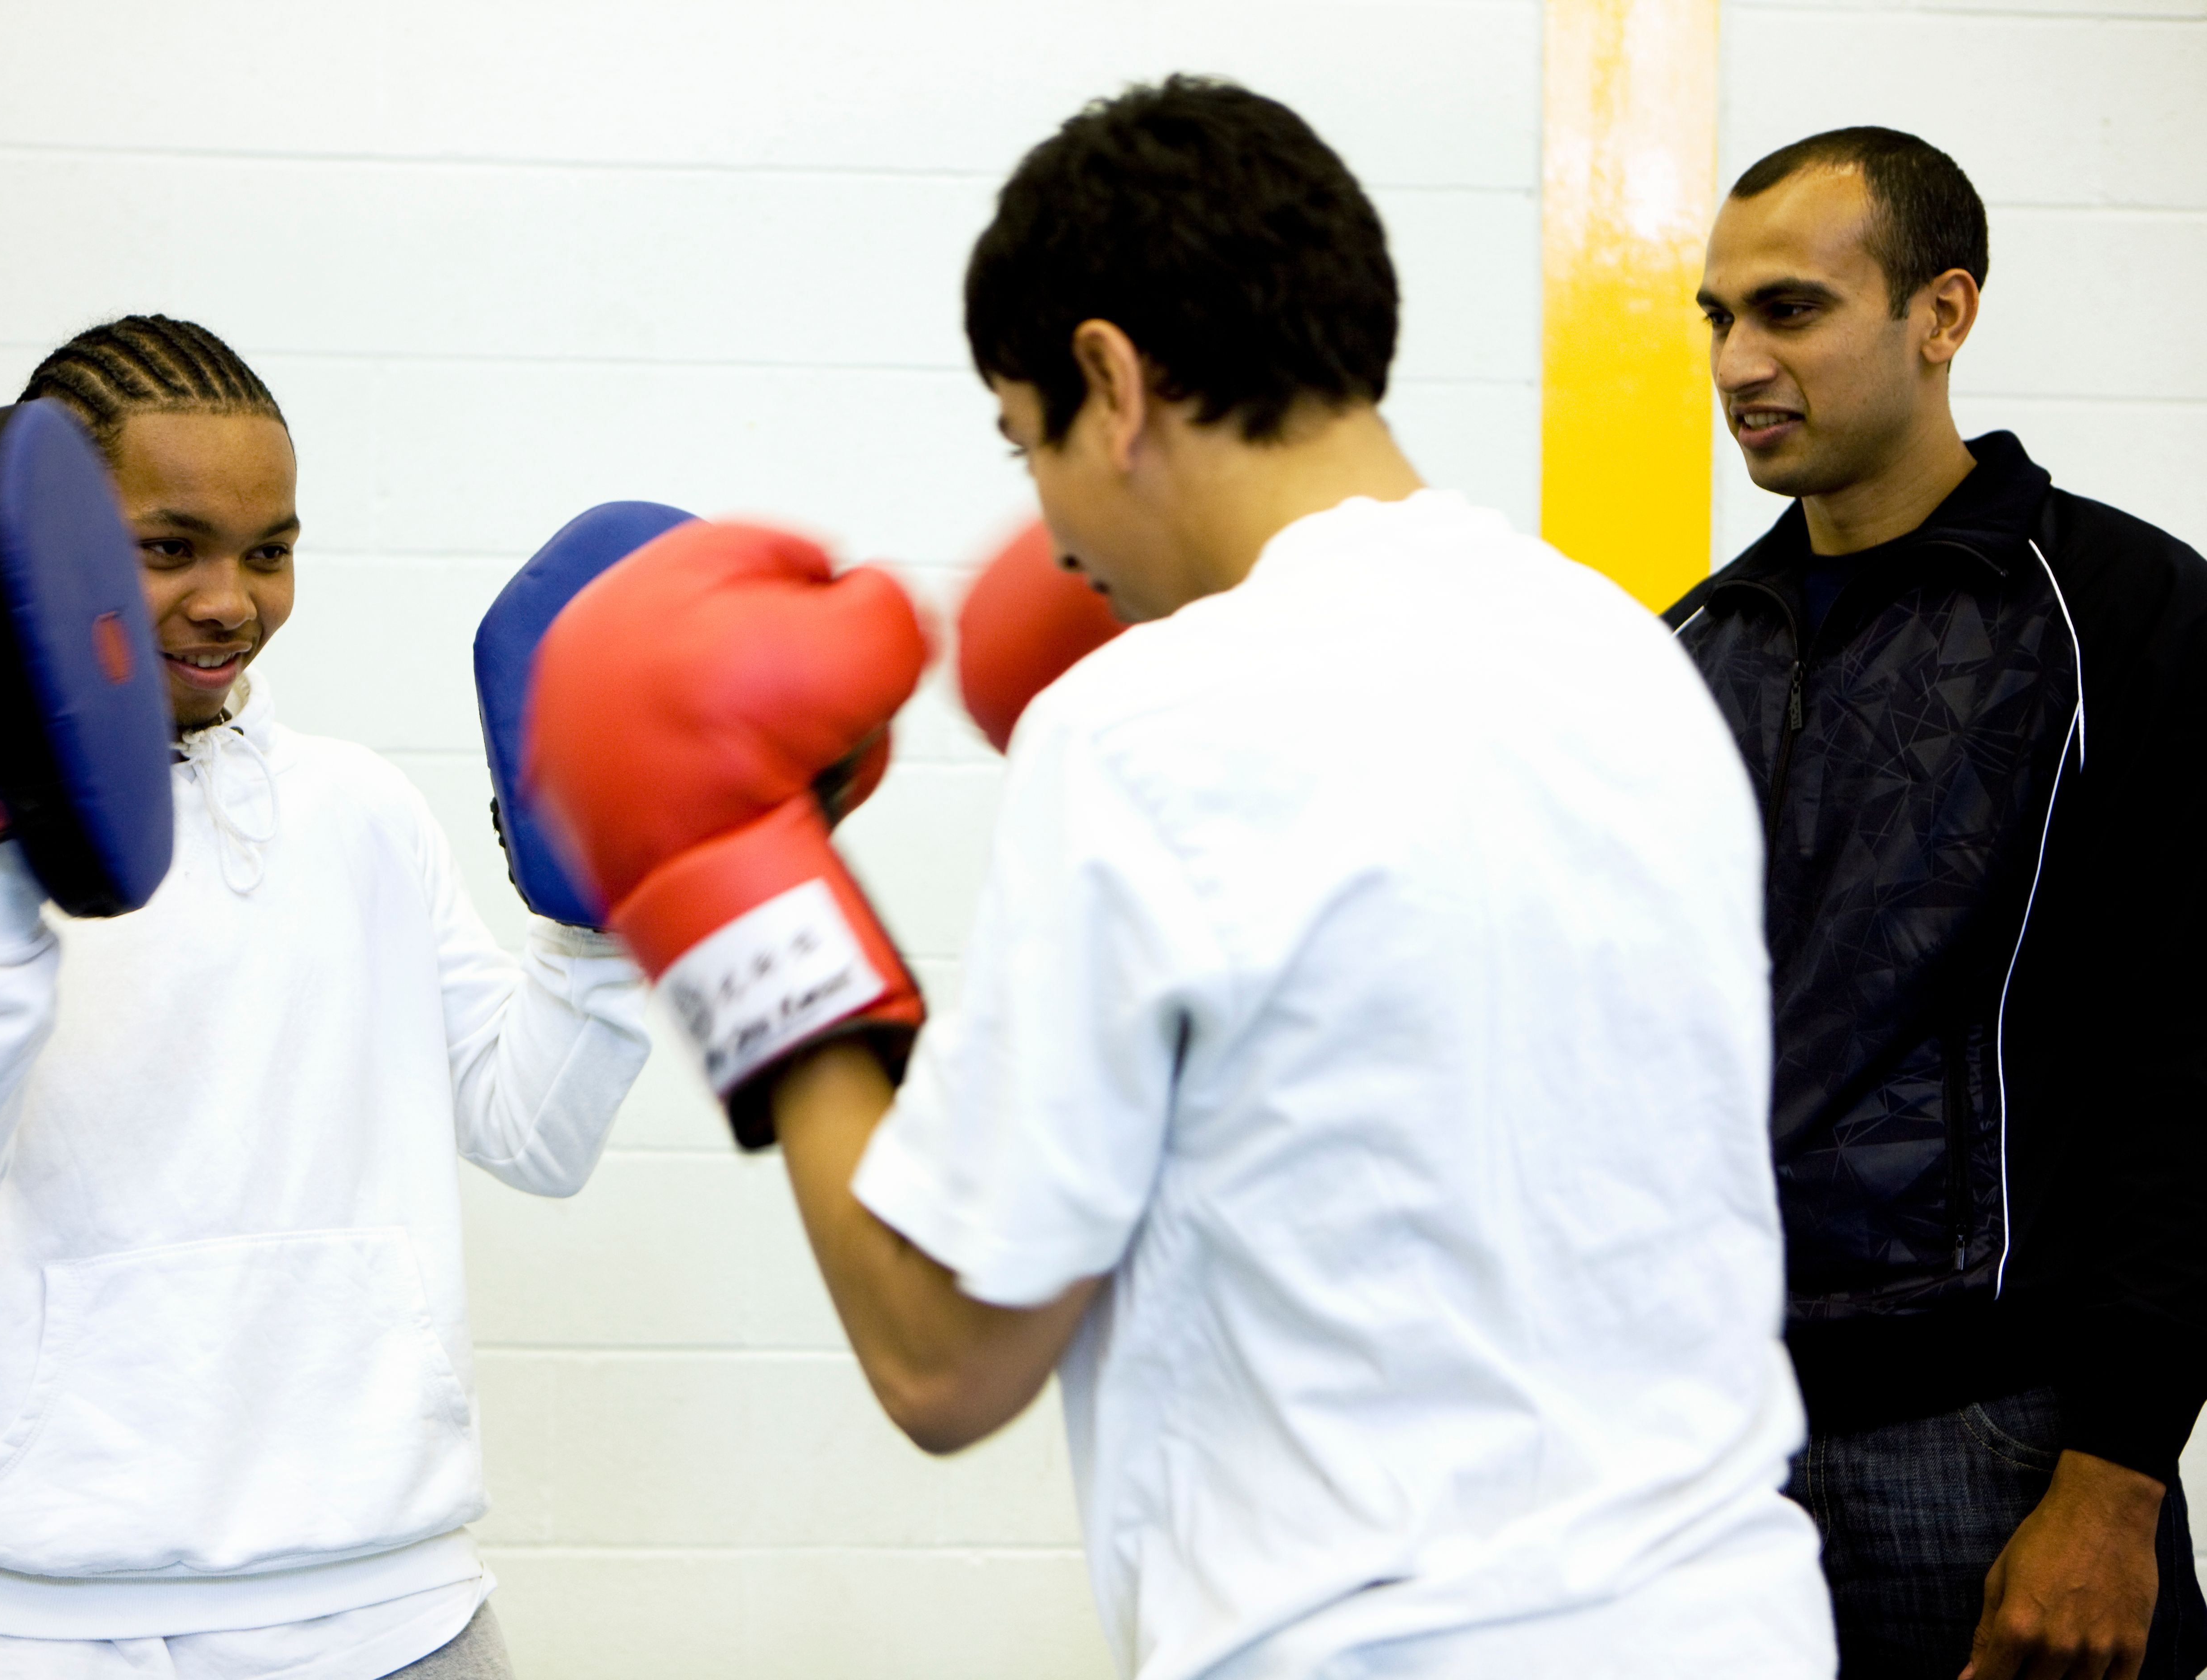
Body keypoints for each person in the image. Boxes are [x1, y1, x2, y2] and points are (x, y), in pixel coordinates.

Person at [529, 78, 1834, 1679]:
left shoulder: (1150, 728)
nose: (1054, 533)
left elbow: (943, 1355)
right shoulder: (1634, 660)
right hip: (1736, 1619)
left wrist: (730, 894)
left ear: (1110, 380)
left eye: (1030, 449)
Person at [0, 315, 650, 1680]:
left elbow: (532, 1133)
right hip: (17, 1630)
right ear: (48, 552)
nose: (231, 601)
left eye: (271, 550)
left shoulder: (359, 806)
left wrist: (606, 919)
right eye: (168, 547)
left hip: (393, 1613)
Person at [1674, 127, 2207, 1680]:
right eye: (1718, 318)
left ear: (1943, 313)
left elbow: (2192, 1060)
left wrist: (2115, 1476)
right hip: (1717, 1459)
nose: (1740, 362)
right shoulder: (1692, 649)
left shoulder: (2128, 616)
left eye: (1791, 310)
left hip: (1998, 1449)